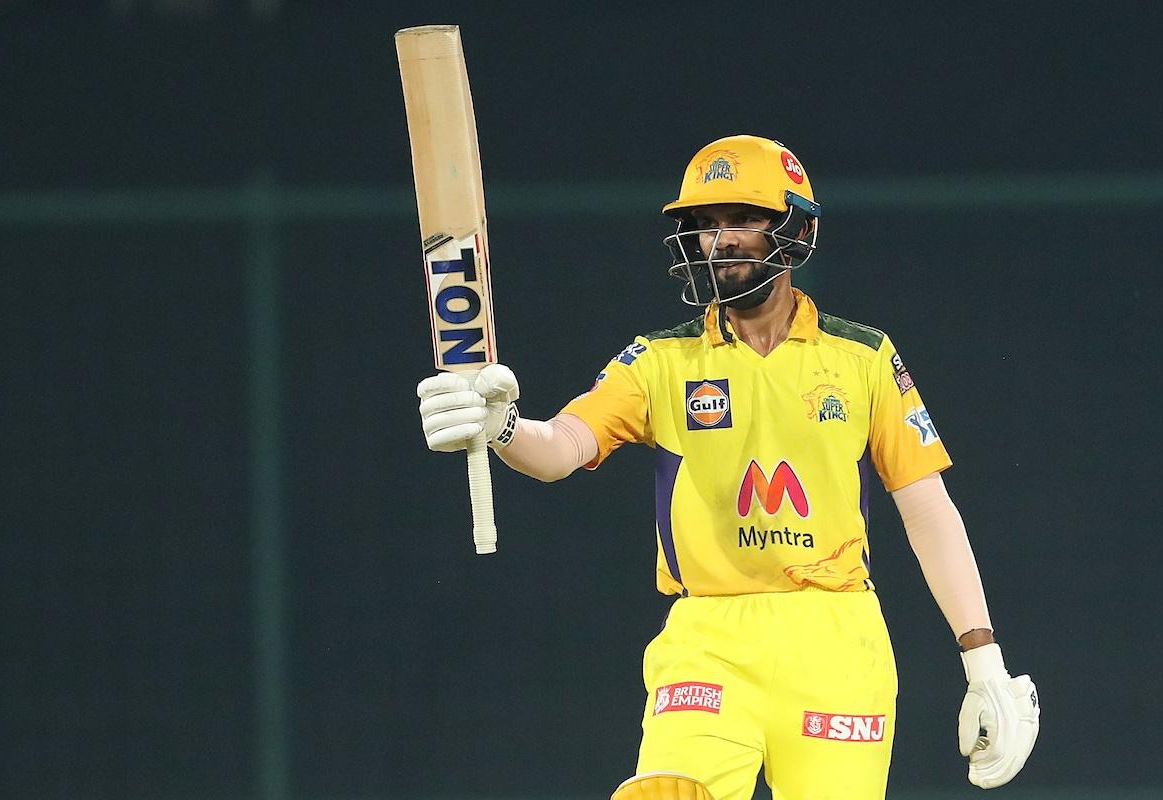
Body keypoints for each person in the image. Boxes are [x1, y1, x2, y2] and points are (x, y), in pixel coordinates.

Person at [416, 135, 1039, 800]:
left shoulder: (862, 359)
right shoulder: (658, 361)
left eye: (740, 220)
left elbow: (928, 510)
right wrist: (503, 426)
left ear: (794, 228)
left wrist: (984, 663)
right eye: (703, 226)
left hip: (836, 642)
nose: (718, 241)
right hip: (708, 641)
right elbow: (563, 447)